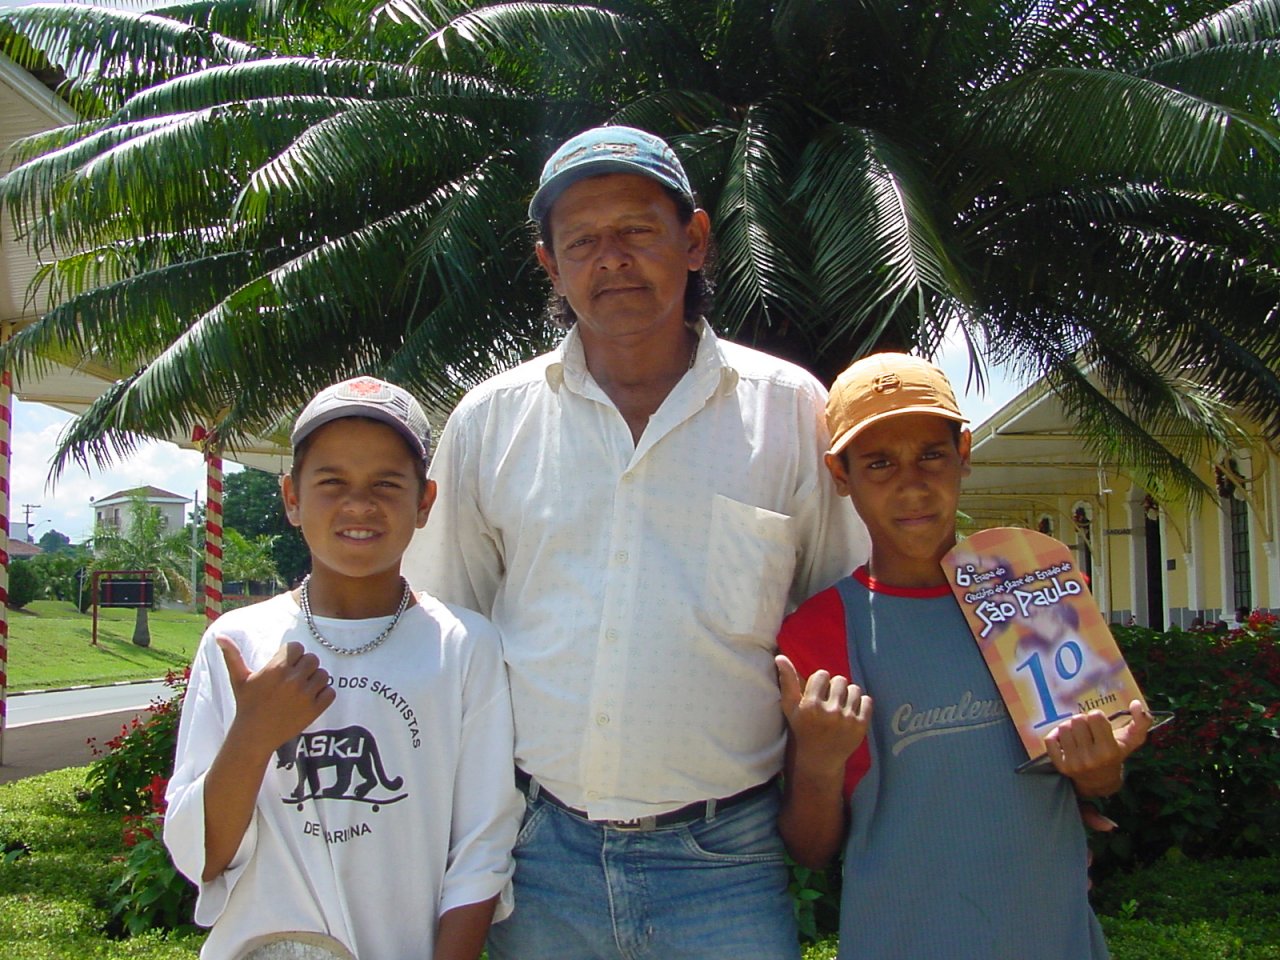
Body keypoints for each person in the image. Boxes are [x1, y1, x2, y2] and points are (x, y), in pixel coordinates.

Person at [403, 125, 867, 959]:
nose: (610, 258)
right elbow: (443, 632)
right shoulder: (490, 423)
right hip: (538, 855)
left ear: (693, 242)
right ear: (550, 264)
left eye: (636, 230)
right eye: (581, 241)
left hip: (726, 863)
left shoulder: (792, 412)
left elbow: (857, 618)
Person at [775, 352, 1153, 960]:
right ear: (839, 474)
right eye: (878, 463)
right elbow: (812, 848)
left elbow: (1100, 777)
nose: (912, 483)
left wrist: (1098, 766)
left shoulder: (1031, 591)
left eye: (931, 453)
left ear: (964, 452)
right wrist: (819, 760)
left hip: (1052, 938)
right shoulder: (817, 633)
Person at [165, 377, 522, 960]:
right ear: (291, 497)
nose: (360, 505)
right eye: (332, 483)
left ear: (424, 502)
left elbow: (481, 850)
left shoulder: (465, 646)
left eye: (387, 483)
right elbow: (201, 856)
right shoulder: (237, 644)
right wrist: (253, 734)